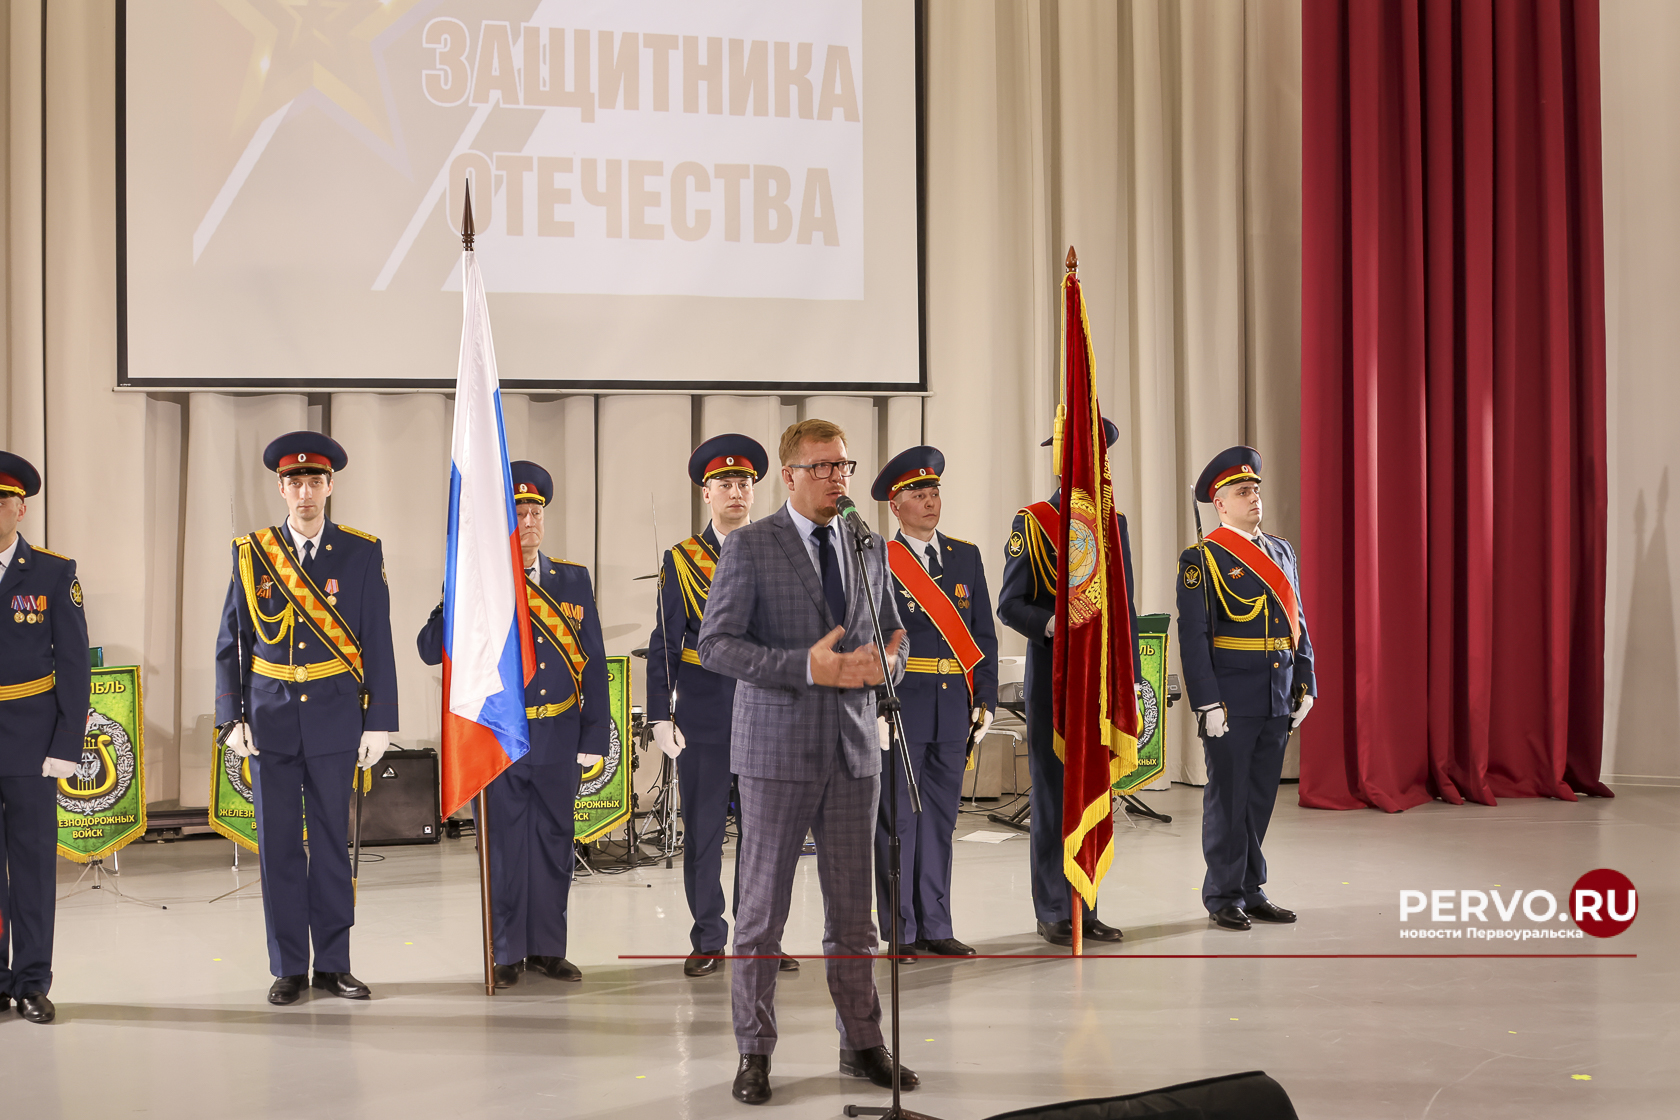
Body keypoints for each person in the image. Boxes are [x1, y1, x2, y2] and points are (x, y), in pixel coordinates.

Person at [697, 418, 915, 1106]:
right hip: (775, 754)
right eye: (822, 467)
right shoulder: (752, 547)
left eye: (844, 466)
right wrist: (806, 668)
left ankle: (862, 1042)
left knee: (855, 916)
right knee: (761, 913)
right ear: (789, 476)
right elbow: (718, 645)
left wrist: (890, 666)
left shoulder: (867, 543)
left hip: (855, 754)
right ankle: (754, 1051)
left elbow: (893, 632)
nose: (837, 479)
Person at [214, 432, 398, 1005]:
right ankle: (289, 964)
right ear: (280, 488)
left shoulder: (361, 552)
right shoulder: (254, 553)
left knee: (330, 844)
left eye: (314, 481)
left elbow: (378, 642)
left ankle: (335, 963)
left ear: (330, 486)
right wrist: (231, 717)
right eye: (294, 482)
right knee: (278, 847)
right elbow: (231, 642)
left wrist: (380, 721)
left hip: (336, 719)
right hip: (269, 720)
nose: (305, 492)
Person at [419, 460, 607, 984]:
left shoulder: (572, 579)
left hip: (558, 733)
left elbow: (592, 661)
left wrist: (594, 733)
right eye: (518, 512)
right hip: (501, 736)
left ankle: (548, 947)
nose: (528, 521)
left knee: (554, 841)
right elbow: (429, 650)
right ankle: (505, 953)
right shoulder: (478, 582)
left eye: (534, 512)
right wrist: (457, 596)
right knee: (502, 847)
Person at [646, 434, 800, 979]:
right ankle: (709, 937)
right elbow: (665, 641)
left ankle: (762, 938)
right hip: (707, 717)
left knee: (767, 838)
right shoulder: (683, 560)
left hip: (770, 715)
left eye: (744, 483)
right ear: (706, 494)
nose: (736, 491)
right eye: (724, 484)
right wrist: (659, 716)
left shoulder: (778, 549)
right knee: (706, 833)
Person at [997, 418, 1134, 947]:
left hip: (1099, 685)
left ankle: (1088, 904)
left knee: (1095, 791)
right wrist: (1054, 623)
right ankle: (1054, 909)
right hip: (1055, 682)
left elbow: (1122, 608)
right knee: (1054, 799)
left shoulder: (1113, 522)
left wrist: (1126, 678)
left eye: (1097, 453)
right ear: (1060, 457)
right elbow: (1009, 605)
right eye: (1077, 451)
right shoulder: (1034, 521)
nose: (1090, 462)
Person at [1176, 446, 1315, 931]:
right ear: (1221, 503)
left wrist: (1307, 680)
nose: (1253, 498)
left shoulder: (1281, 551)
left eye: (1255, 489)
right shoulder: (1202, 559)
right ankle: (1222, 895)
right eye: (1242, 492)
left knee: (1259, 799)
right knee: (1228, 800)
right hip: (1232, 700)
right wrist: (1207, 702)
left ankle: (1251, 890)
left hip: (1277, 694)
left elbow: (1298, 620)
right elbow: (1193, 637)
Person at [868, 446, 998, 959]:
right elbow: (869, 635)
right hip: (902, 705)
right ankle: (899, 930)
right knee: (898, 820)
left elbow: (982, 633)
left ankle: (935, 924)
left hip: (953, 708)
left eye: (934, 492)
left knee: (941, 820)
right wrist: (876, 701)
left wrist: (984, 696)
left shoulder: (965, 556)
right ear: (895, 507)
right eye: (917, 494)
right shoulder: (878, 558)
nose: (929, 501)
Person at [0, 452, 90, 1025]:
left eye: (2, 501)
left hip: (32, 746)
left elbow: (76, 668)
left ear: (20, 506)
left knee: (32, 868)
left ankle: (32, 980)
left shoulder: (54, 573)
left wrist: (66, 746)